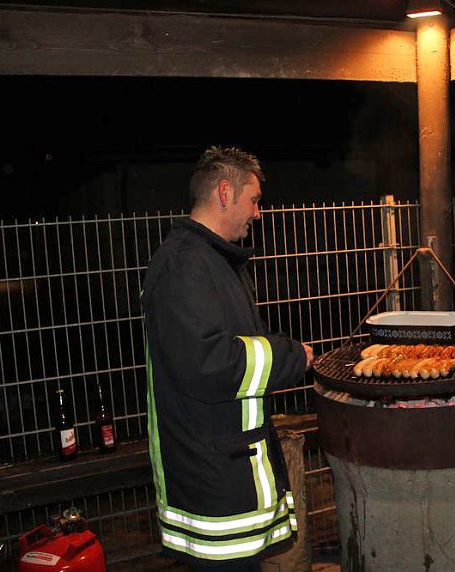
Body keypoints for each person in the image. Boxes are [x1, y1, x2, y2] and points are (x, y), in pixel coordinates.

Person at [142, 146, 314, 571]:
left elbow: (234, 345)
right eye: (254, 200)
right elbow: (211, 362)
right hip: (212, 480)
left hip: (225, 468)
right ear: (224, 192)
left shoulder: (209, 260)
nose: (258, 213)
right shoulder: (184, 265)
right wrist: (291, 356)